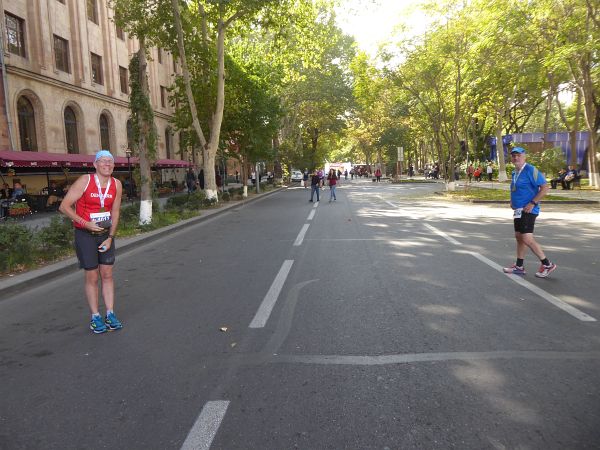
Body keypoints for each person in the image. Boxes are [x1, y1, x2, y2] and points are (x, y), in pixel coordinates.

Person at [59, 150, 124, 333]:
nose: (107, 164)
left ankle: (110, 313)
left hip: (105, 235)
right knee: (92, 276)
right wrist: (84, 223)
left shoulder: (116, 184)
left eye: (110, 162)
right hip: (85, 235)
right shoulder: (85, 181)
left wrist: (111, 237)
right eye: (103, 161)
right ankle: (95, 317)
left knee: (108, 274)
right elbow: (64, 206)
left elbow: (115, 212)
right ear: (95, 164)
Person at [503, 147, 556, 278]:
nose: (516, 158)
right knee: (519, 237)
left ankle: (547, 264)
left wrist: (532, 203)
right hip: (518, 210)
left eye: (518, 155)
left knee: (526, 237)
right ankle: (519, 266)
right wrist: (512, 200)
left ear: (524, 156)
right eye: (513, 156)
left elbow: (545, 187)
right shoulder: (515, 172)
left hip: (529, 209)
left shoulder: (530, 170)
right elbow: (515, 189)